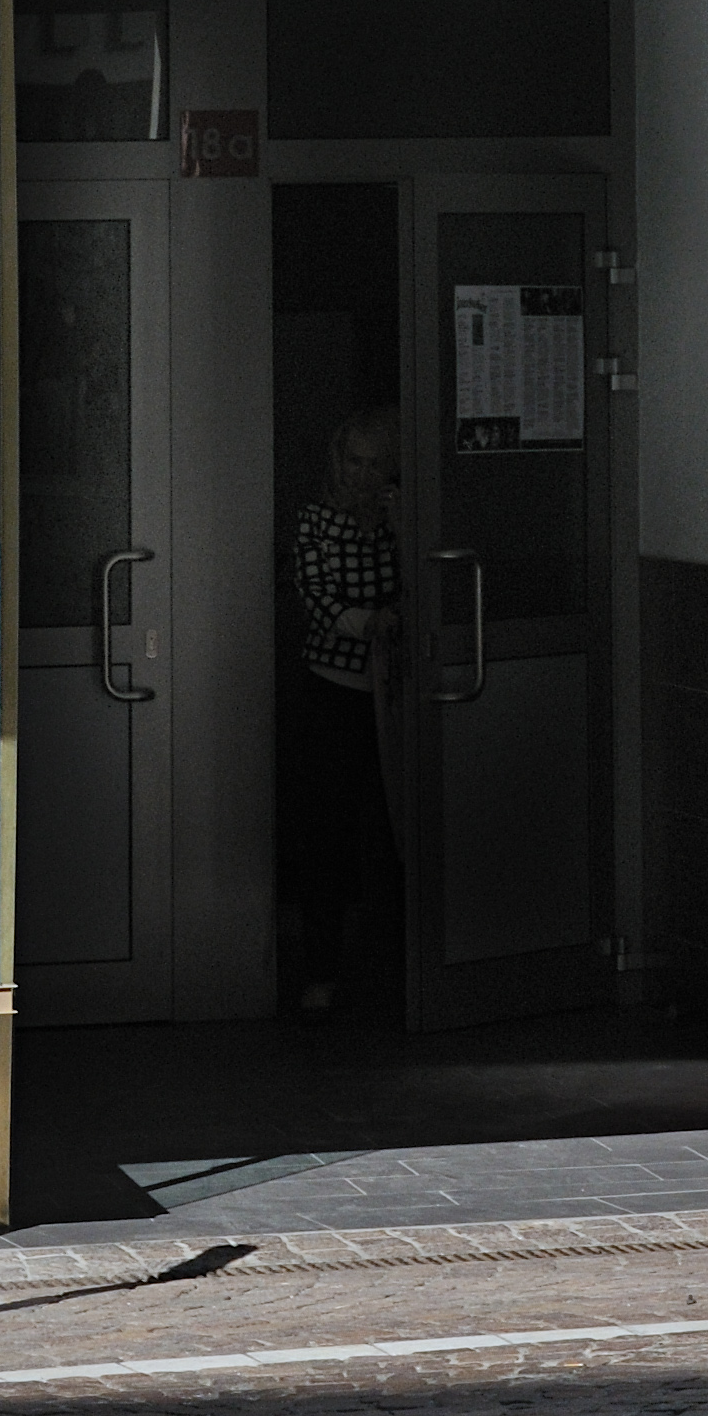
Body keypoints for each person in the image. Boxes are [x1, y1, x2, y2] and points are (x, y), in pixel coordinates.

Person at [282, 406, 401, 1013]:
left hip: (398, 692)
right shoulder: (317, 520)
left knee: (393, 827)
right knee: (328, 831)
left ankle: (397, 966)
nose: (364, 474)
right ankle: (322, 968)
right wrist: (370, 622)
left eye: (376, 463)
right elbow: (317, 595)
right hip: (332, 689)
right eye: (354, 461)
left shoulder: (401, 515)